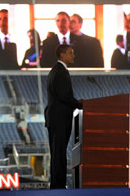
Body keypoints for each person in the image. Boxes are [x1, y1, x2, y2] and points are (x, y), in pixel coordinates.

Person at [45, 45, 83, 188]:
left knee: (58, 154)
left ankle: (57, 185)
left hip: (58, 119)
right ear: (62, 55)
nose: (73, 55)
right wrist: (79, 104)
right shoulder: (59, 72)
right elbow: (63, 96)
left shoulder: (59, 70)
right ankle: (58, 186)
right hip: (59, 119)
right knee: (58, 154)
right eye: (71, 53)